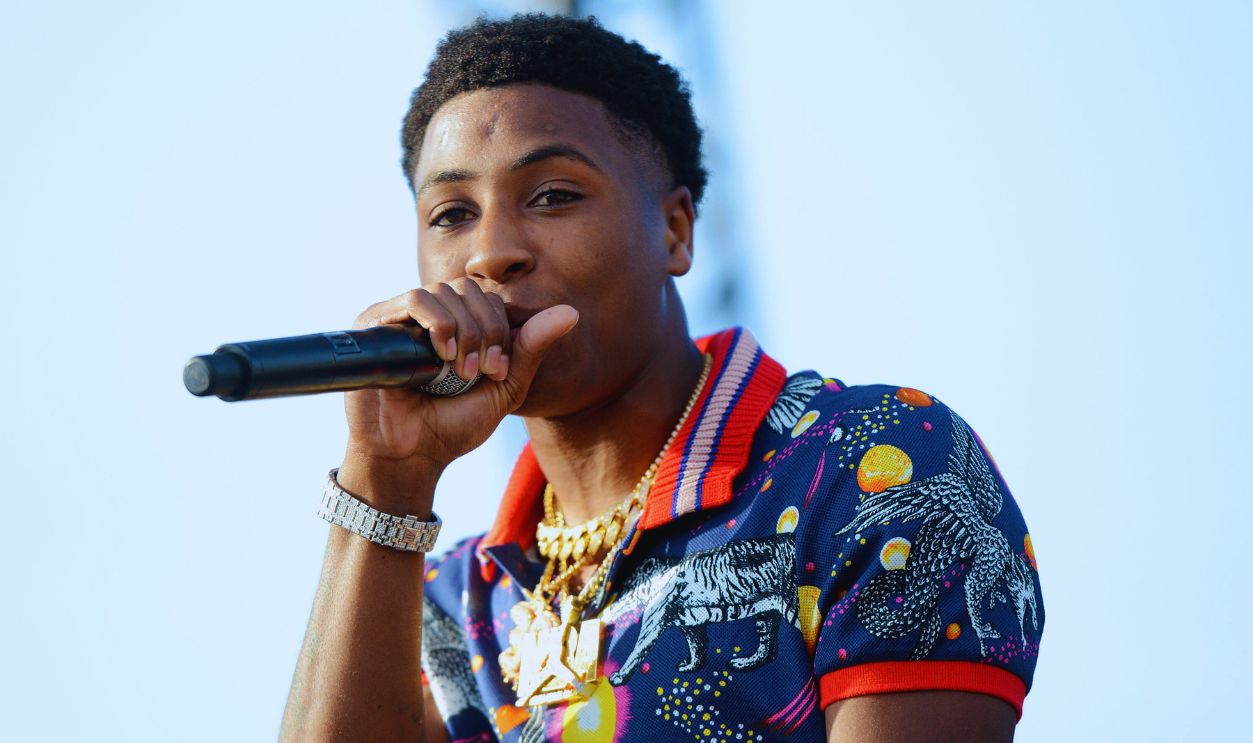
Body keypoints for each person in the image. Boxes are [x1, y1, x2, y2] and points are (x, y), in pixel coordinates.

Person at [280, 14, 1043, 743]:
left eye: (552, 195)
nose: (490, 254)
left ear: (674, 230)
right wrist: (385, 479)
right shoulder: (450, 599)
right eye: (450, 213)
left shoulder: (869, 465)